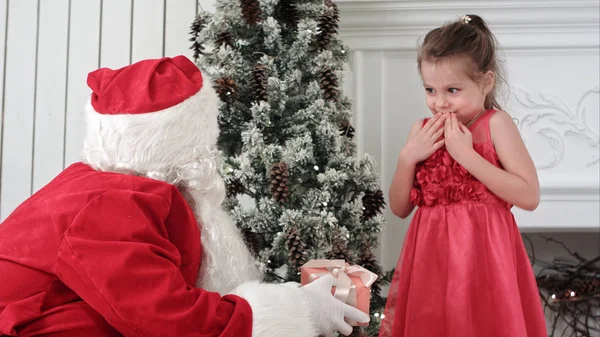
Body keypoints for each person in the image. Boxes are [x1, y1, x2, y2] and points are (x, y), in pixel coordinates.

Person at [0, 55, 369, 337]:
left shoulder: (107, 186)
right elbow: (167, 318)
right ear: (183, 150)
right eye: (204, 148)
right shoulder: (109, 205)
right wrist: (300, 307)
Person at [380, 14, 547, 337]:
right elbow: (399, 207)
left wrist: (467, 156)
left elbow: (529, 196)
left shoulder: (496, 125)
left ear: (486, 82)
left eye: (452, 90)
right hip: (431, 263)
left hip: (485, 261)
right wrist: (407, 157)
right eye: (430, 89)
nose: (440, 102)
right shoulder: (422, 131)